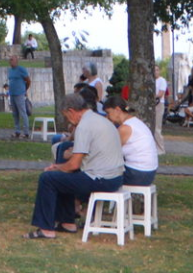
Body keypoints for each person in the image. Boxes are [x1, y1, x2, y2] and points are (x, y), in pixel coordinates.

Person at [25, 94, 126, 240]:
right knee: (62, 176)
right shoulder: (99, 119)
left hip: (101, 179)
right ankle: (67, 222)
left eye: (66, 116)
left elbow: (73, 165)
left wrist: (56, 167)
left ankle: (46, 229)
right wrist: (61, 166)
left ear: (71, 111)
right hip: (115, 177)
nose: (68, 120)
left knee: (48, 179)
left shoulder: (84, 126)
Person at [103, 96, 159, 187]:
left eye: (108, 113)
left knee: (98, 176)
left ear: (117, 110)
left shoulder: (124, 128)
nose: (107, 117)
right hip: (148, 173)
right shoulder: (135, 122)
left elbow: (109, 153)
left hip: (136, 174)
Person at [6, 55, 33, 140]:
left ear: (16, 61)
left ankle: (26, 132)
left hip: (20, 94)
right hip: (12, 94)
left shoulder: (21, 69)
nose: (11, 61)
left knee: (23, 112)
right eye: (10, 60)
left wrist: (24, 89)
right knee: (15, 114)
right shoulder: (10, 71)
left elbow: (28, 80)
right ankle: (17, 131)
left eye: (12, 60)